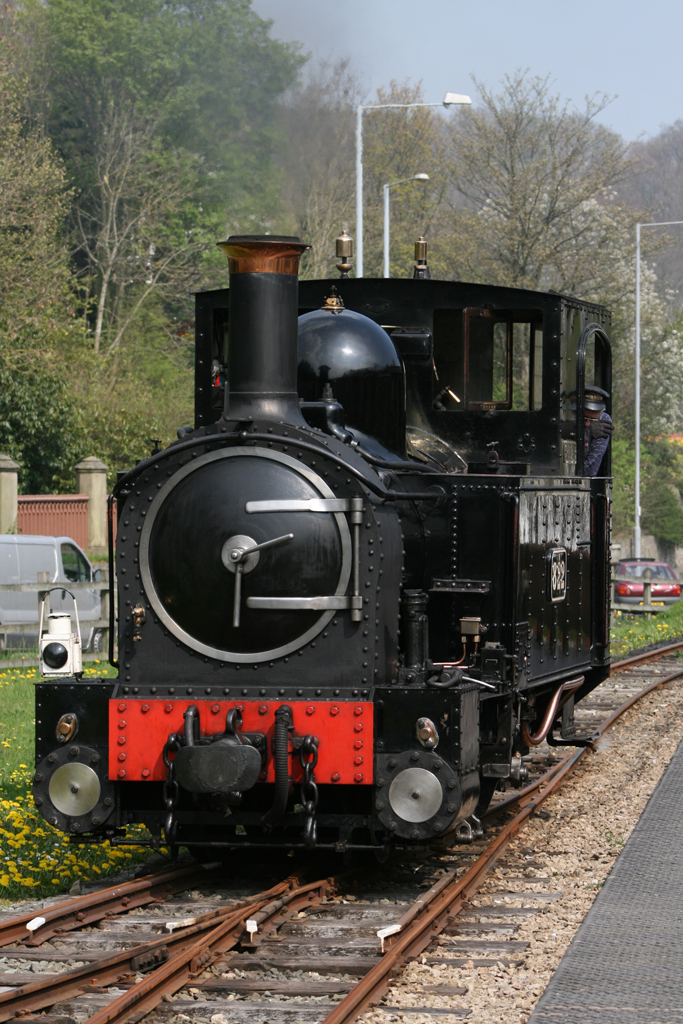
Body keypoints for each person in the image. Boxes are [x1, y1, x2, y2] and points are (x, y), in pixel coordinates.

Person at [567, 386, 613, 477]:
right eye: (584, 418)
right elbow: (567, 470)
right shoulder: (567, 422)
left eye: (592, 420)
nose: (588, 424)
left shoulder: (602, 421)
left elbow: (589, 470)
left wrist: (587, 437)